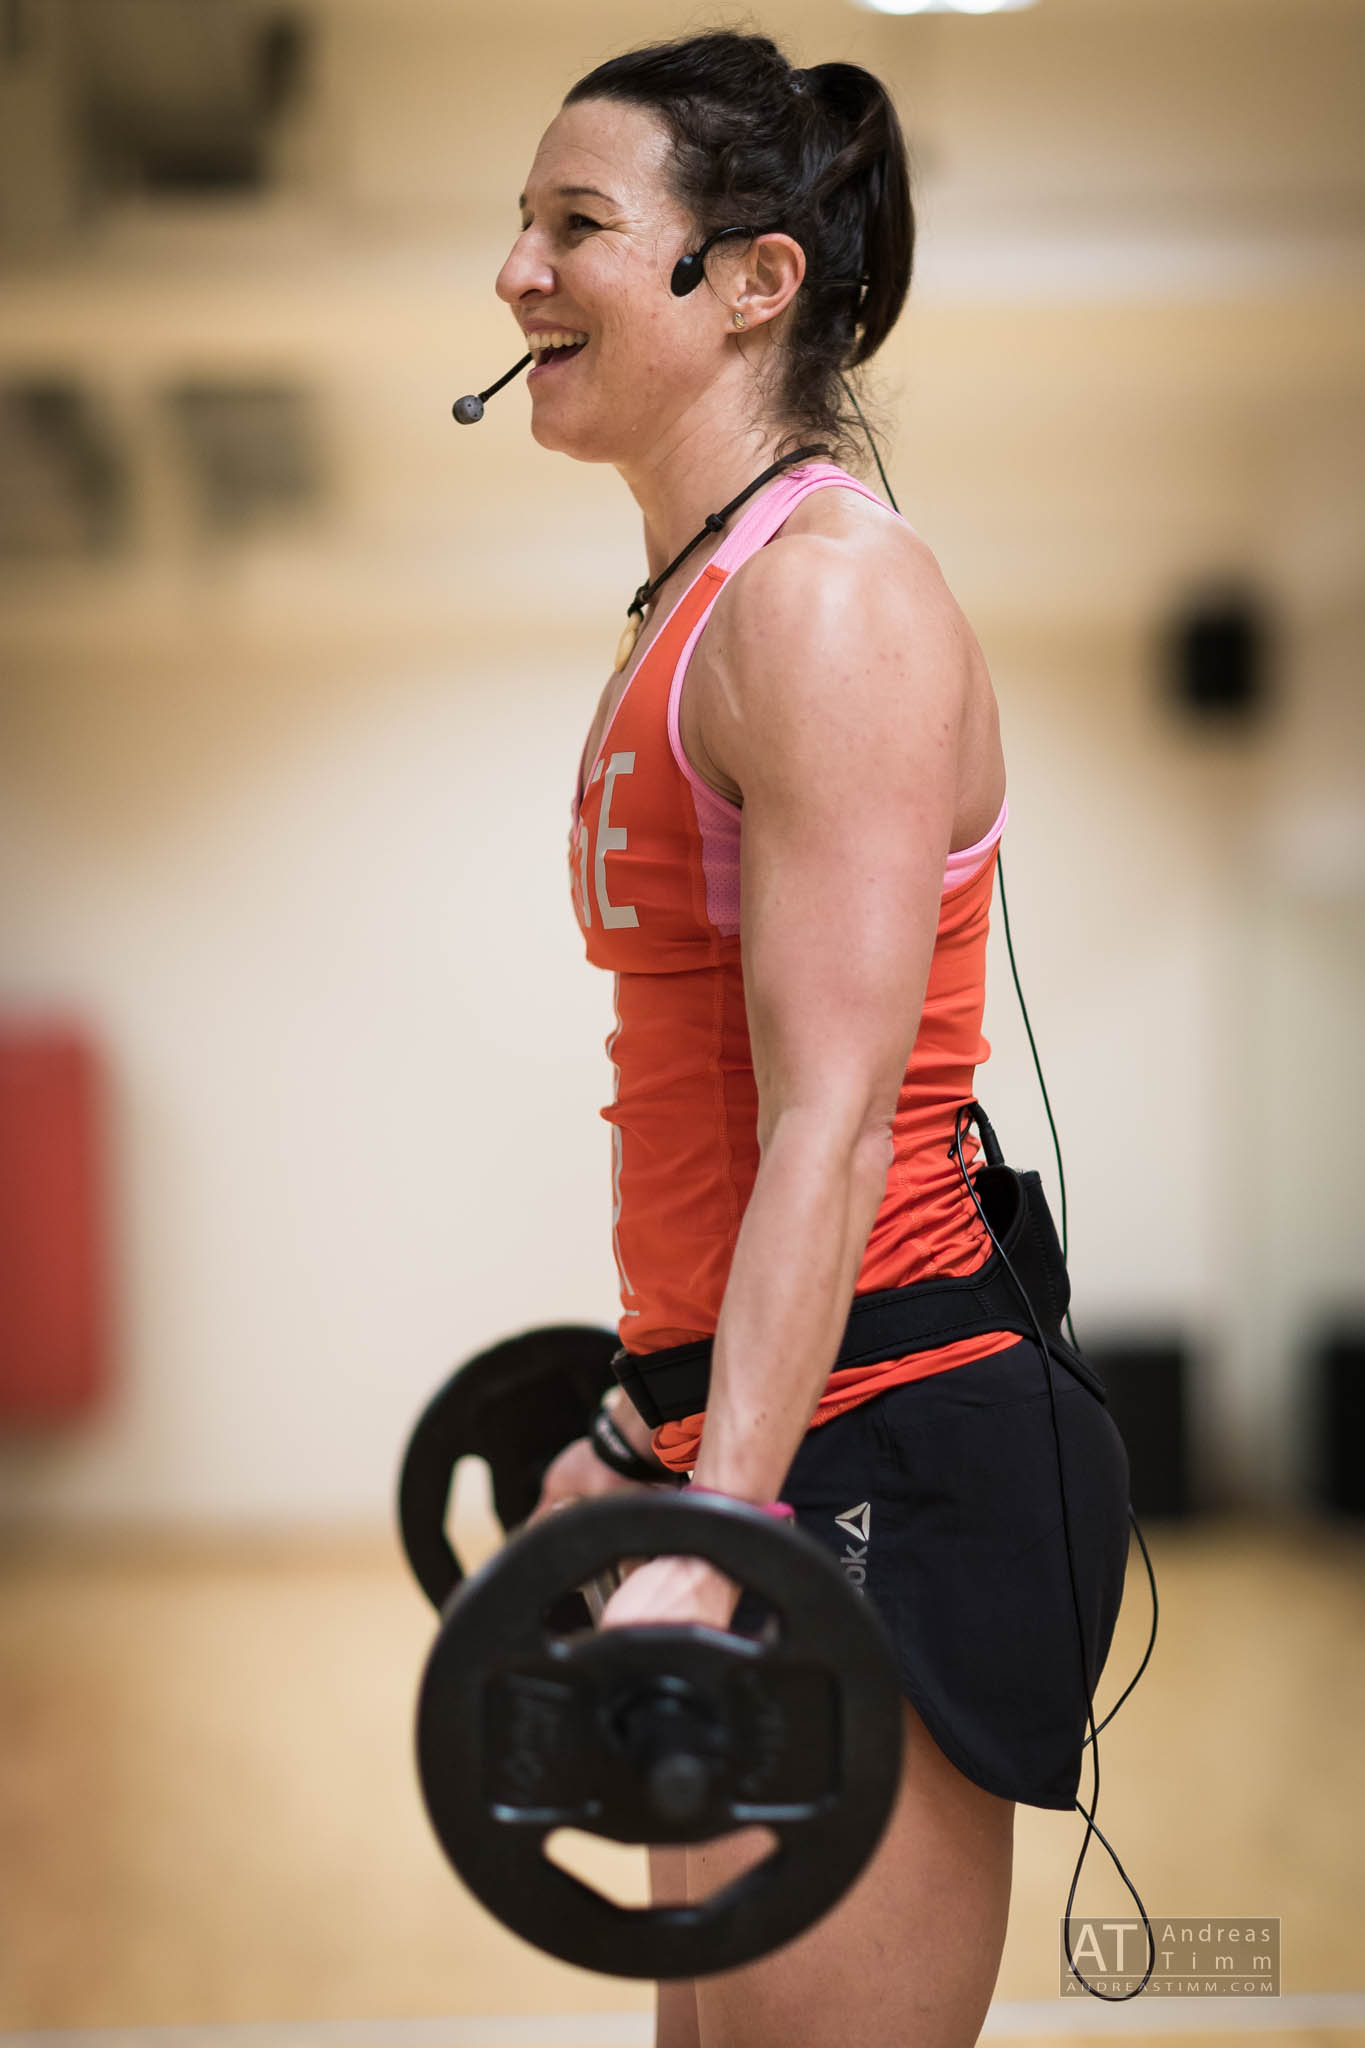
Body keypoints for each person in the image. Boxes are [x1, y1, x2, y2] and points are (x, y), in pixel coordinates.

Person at [500, 30, 1131, 2048]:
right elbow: (702, 1109)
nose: (511, 273)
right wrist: (636, 1431)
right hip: (745, 1427)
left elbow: (835, 1120)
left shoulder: (826, 605)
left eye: (572, 226)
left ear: (751, 277)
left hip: (873, 1442)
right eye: (517, 226)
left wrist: (730, 1515)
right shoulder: (688, 610)